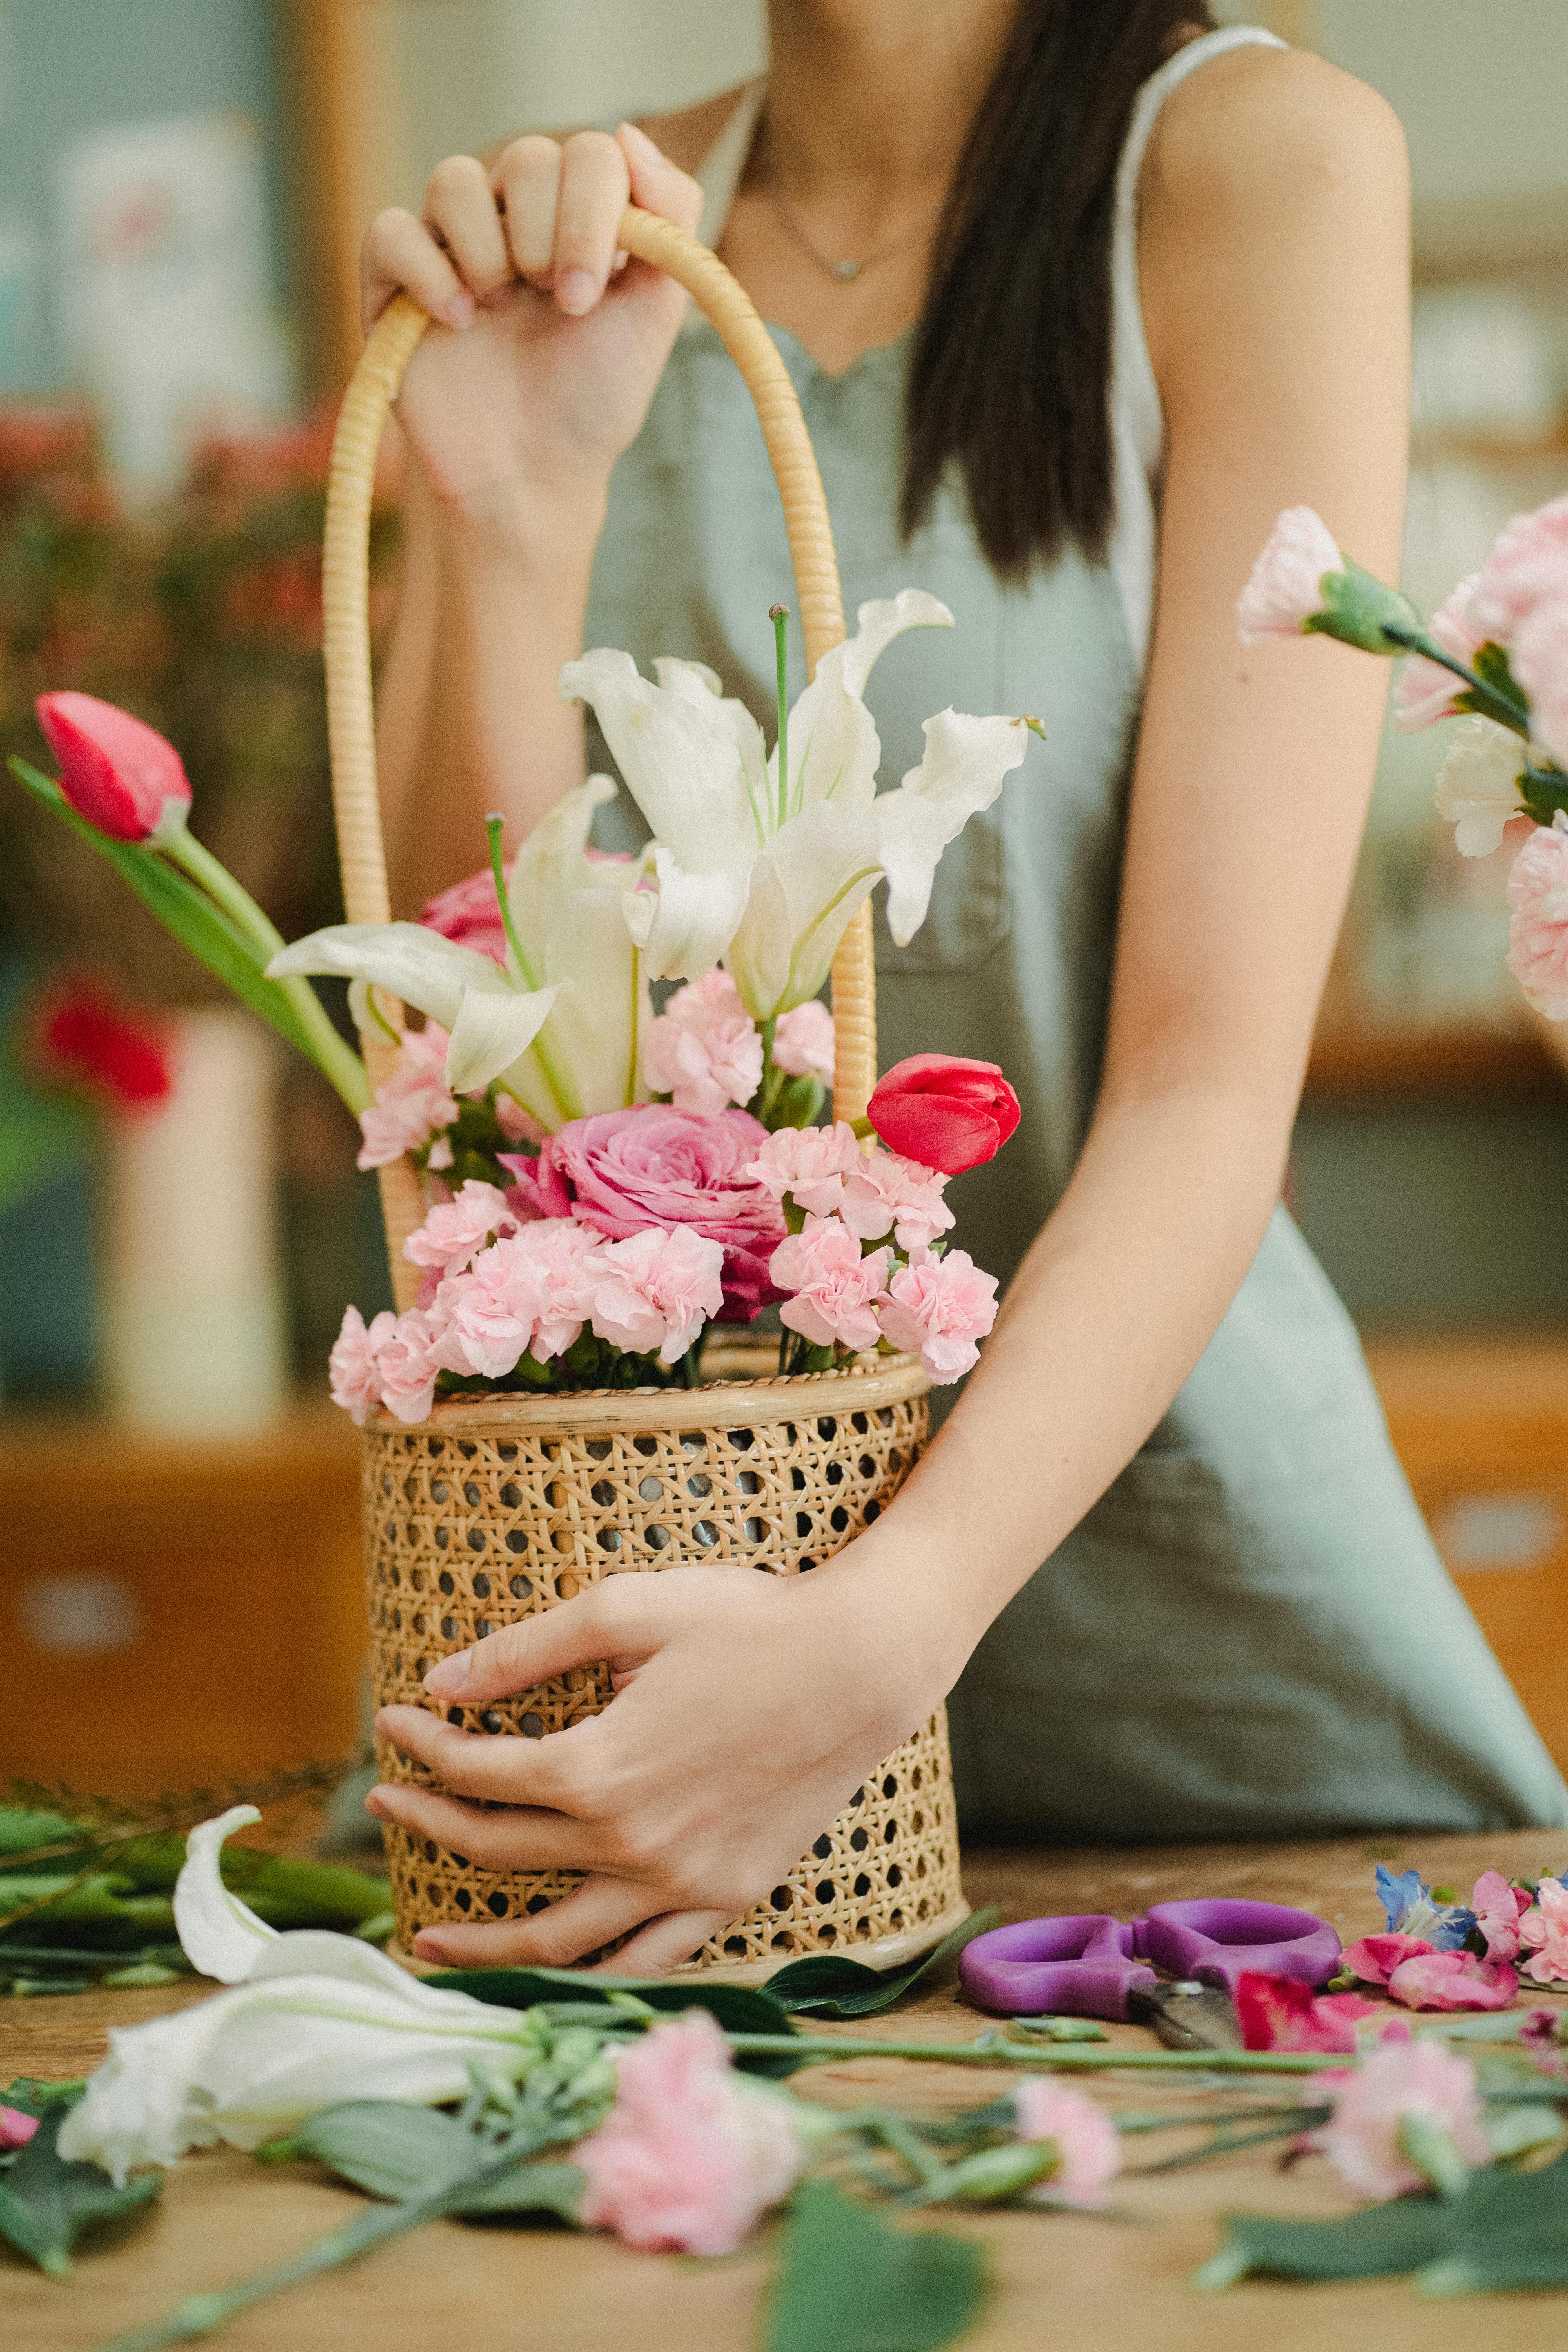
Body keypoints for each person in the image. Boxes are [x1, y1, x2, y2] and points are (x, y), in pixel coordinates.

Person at [358, 1, 1568, 1973]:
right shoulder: (584, 235)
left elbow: (1204, 1087)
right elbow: (464, 1050)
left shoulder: (1254, 160)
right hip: (637, 1617)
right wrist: (509, 514)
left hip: (1172, 1661)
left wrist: (871, 1640)